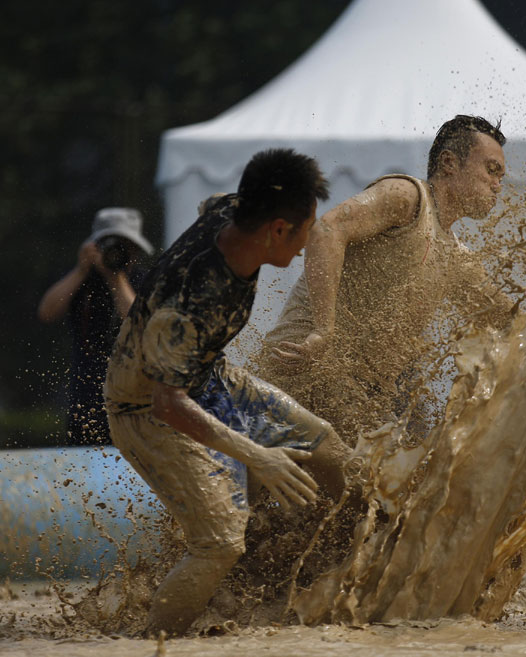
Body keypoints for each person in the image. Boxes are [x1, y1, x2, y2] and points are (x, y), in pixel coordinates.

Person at [103, 148, 352, 636]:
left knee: (326, 442)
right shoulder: (191, 304)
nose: (305, 248)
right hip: (145, 411)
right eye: (304, 232)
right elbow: (167, 403)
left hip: (210, 378)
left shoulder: (230, 208)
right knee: (220, 542)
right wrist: (257, 455)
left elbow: (210, 206)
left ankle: (364, 556)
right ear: (277, 229)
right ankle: (152, 642)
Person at [259, 115, 514, 440]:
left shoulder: (457, 257)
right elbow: (326, 231)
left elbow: (509, 321)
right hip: (304, 364)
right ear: (449, 163)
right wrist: (324, 329)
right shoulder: (407, 196)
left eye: (501, 177)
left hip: (357, 401)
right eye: (491, 170)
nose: (497, 185)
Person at [38, 207, 154, 446]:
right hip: (86, 400)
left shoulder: (143, 280)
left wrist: (116, 277)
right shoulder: (80, 280)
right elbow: (47, 312)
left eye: (124, 245)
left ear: (135, 249)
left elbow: (140, 325)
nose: (117, 252)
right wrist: (81, 270)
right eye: (110, 245)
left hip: (136, 401)